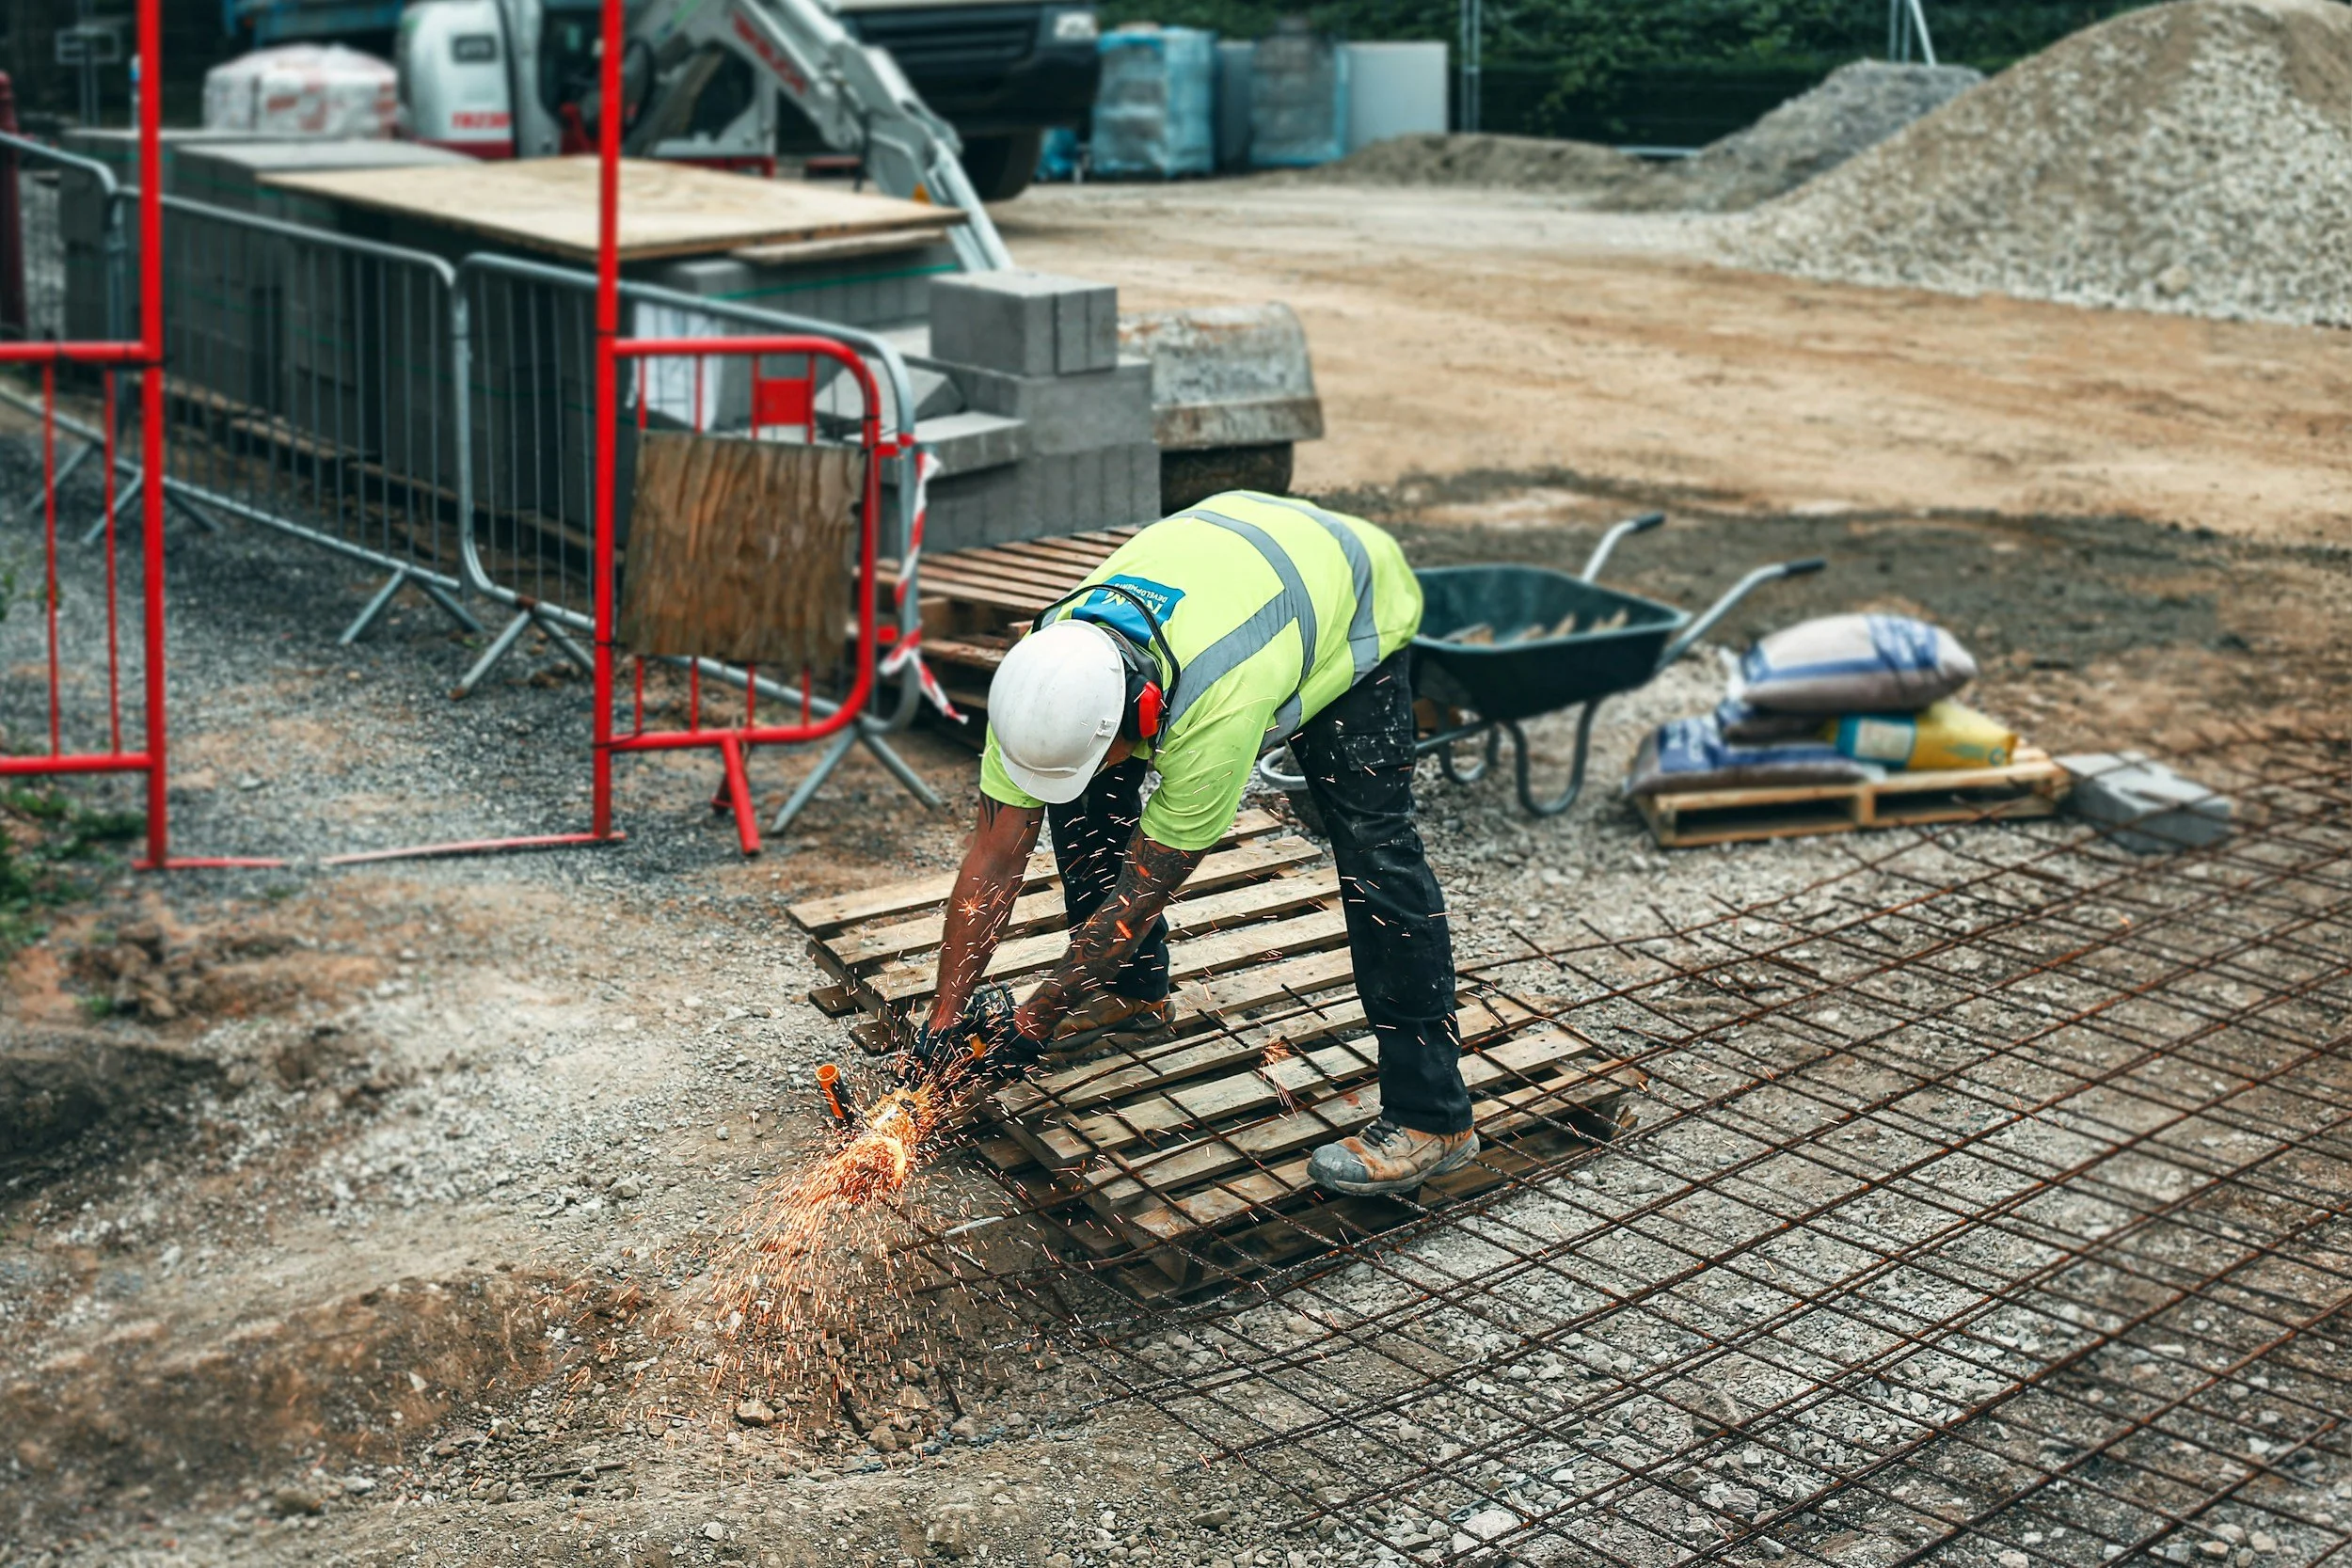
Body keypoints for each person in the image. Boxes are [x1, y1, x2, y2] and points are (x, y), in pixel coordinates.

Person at [907, 490, 1473, 1196]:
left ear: (1146, 716)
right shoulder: (1044, 674)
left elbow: (1140, 893)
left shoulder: (1217, 708)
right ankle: (1133, 995)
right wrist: (944, 1016)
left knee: (1374, 854)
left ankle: (1433, 1114)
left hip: (1352, 595)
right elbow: (993, 858)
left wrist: (1035, 1017)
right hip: (1238, 555)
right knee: (1082, 795)